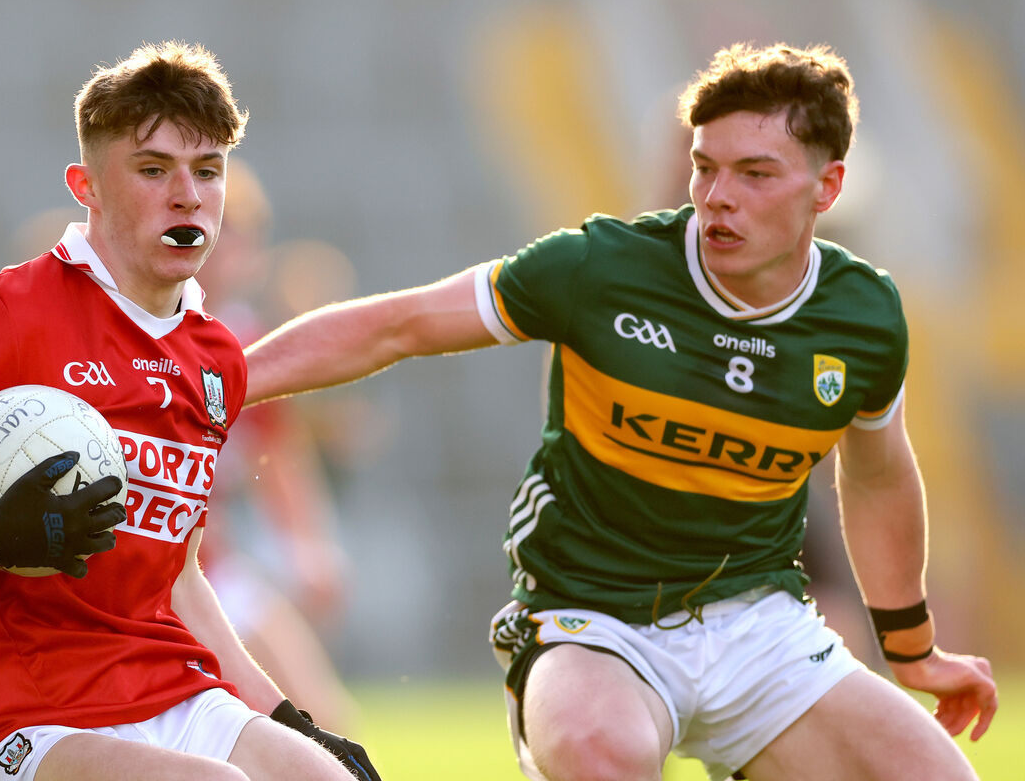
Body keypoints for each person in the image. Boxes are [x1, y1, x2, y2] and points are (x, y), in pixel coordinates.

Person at [242, 43, 998, 780]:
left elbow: (878, 476)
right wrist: (218, 384)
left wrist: (912, 646)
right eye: (706, 168)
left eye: (755, 173)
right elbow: (396, 325)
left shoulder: (864, 312)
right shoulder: (599, 267)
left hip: (760, 625)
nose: (716, 197)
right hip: (592, 620)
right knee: (600, 753)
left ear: (826, 188)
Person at [0, 41, 379, 781]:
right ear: (86, 186)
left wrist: (288, 719)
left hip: (170, 685)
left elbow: (181, 576)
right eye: (154, 170)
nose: (188, 195)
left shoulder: (215, 356)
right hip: (25, 710)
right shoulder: (5, 313)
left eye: (207, 171)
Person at [196, 157, 360, 732]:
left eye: (243, 239)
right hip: (148, 576)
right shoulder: (132, 328)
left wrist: (309, 547)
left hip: (211, 571)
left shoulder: (241, 339)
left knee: (323, 721)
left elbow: (276, 451)